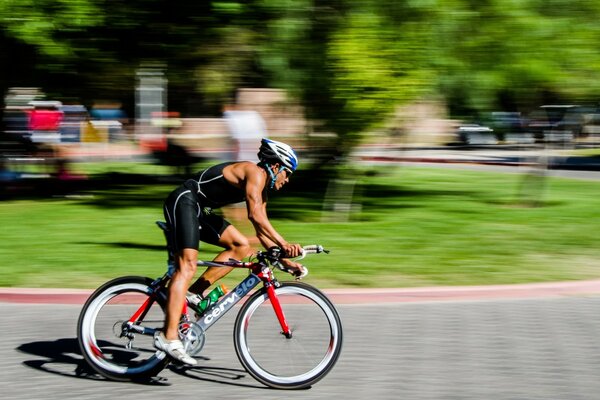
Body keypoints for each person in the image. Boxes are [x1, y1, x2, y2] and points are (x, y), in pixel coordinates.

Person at [154, 138, 306, 365]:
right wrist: (284, 243)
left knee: (242, 246)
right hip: (184, 201)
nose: (288, 179)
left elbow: (261, 230)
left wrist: (284, 261)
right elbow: (256, 216)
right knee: (187, 266)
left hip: (199, 210)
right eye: (288, 173)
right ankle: (169, 337)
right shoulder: (254, 172)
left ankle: (193, 294)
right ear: (276, 166)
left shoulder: (262, 188)